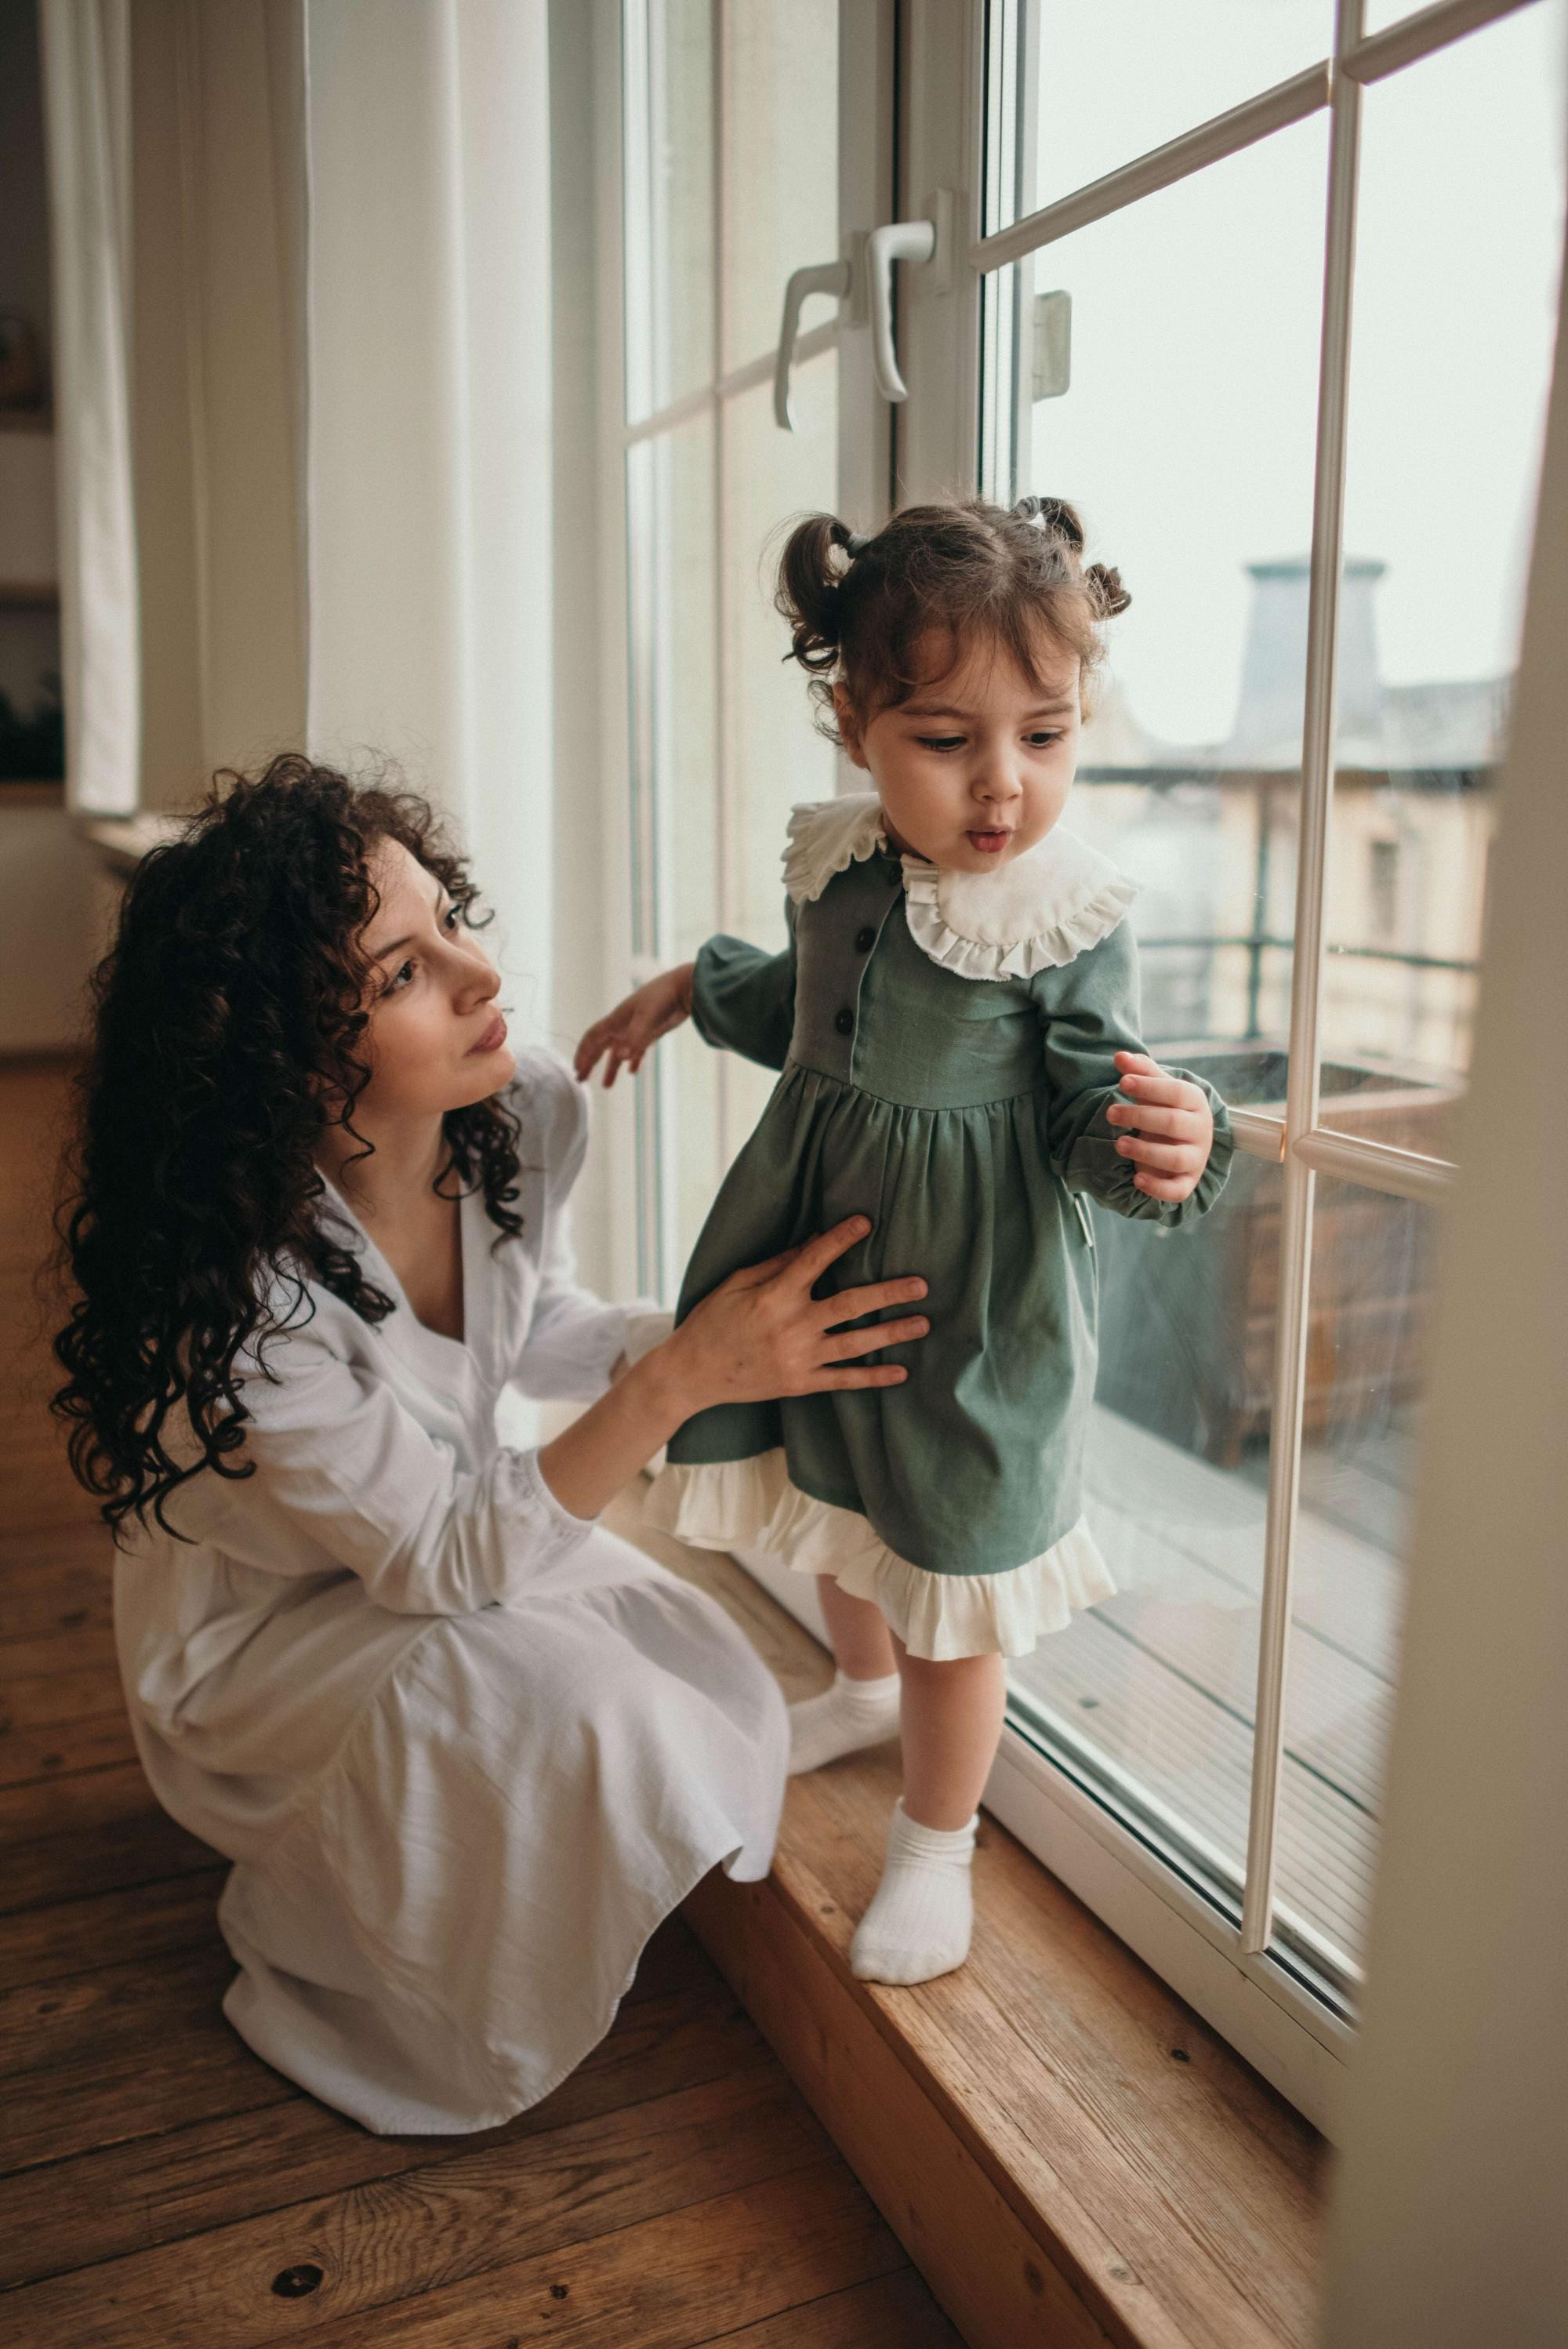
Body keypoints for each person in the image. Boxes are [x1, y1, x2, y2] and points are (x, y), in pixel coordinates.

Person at [51, 755, 931, 2134]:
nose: (478, 977)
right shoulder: (243, 1310)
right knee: (571, 1703)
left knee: (663, 1667)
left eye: (449, 920)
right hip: (267, 1641)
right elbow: (438, 1564)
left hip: (441, 1543)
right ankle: (333, 1955)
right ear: (283, 1056)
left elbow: (533, 1326)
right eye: (402, 973)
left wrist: (699, 1343)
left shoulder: (517, 1110)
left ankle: (483, 1873)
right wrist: (686, 1381)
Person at [575, 496, 1233, 1988]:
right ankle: (855, 1693)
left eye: (1046, 737)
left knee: (943, 1555)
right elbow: (811, 1014)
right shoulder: (843, 863)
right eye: (946, 740)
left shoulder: (1064, 912)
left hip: (969, 1293)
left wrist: (1172, 1133)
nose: (1003, 786)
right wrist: (695, 983)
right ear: (852, 717)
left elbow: (1090, 1107)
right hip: (817, 1244)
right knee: (837, 1491)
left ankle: (940, 1843)